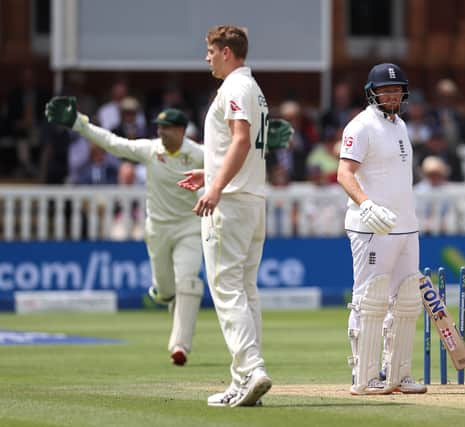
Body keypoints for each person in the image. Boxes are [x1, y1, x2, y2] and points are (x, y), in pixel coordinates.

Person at [177, 25, 292, 408]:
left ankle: (253, 368)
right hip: (250, 200)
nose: (206, 57)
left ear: (227, 51)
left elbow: (241, 139)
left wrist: (215, 188)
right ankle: (242, 379)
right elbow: (236, 143)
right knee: (245, 291)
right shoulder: (252, 88)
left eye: (210, 51)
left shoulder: (236, 88)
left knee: (227, 290)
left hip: (232, 203)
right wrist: (209, 174)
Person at [45, 99, 206, 367]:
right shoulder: (150, 150)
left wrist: (263, 148)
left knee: (188, 283)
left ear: (181, 130)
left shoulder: (199, 154)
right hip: (158, 229)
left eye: (167, 128)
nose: (161, 132)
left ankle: (180, 347)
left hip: (189, 228)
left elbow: (229, 159)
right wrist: (78, 123)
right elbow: (112, 143)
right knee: (168, 292)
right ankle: (163, 294)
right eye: (159, 128)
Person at [336, 63, 426, 396]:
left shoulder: (400, 124)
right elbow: (344, 173)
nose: (392, 95)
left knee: (406, 300)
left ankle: (398, 374)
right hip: (371, 226)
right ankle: (364, 377)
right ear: (371, 92)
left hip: (405, 226)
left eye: (397, 89)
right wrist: (366, 204)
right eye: (385, 90)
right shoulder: (360, 127)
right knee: (370, 300)